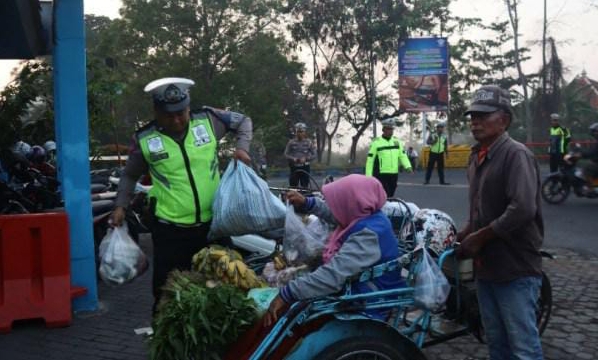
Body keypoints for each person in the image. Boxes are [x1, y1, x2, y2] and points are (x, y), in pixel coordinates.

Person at [110, 77, 253, 313]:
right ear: (156, 111)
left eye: (181, 113)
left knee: (229, 288)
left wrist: (242, 148)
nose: (176, 120)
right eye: (169, 115)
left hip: (214, 226)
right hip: (171, 232)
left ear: (188, 107)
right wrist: (120, 207)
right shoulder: (145, 140)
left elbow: (243, 121)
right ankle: (165, 344)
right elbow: (128, 176)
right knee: (167, 295)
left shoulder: (208, 120)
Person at [456, 85, 544, 360]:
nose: (475, 121)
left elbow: (522, 208)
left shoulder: (515, 154)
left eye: (483, 115)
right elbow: (480, 209)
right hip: (487, 268)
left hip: (515, 267)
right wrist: (465, 232)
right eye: (472, 116)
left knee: (523, 348)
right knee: (497, 344)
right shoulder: (476, 157)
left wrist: (479, 237)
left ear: (504, 119)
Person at [263, 174, 405, 327]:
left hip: (367, 300)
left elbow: (331, 277)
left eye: (340, 202)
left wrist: (287, 294)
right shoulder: (366, 216)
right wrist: (308, 203)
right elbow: (336, 214)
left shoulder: (368, 236)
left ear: (352, 204)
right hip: (358, 285)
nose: (335, 208)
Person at [365, 118, 412, 197]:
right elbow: (370, 160)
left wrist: (408, 166)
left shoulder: (397, 142)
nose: (390, 131)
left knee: (391, 194)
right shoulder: (376, 143)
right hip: (381, 174)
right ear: (383, 130)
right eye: (388, 129)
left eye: (392, 129)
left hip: (394, 173)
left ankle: (387, 208)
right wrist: (368, 176)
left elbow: (402, 155)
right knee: (384, 195)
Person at [283, 122, 316, 188]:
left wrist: (306, 158)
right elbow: (285, 154)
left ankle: (304, 198)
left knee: (305, 187)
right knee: (293, 187)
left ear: (304, 132)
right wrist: (293, 159)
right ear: (296, 132)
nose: (299, 133)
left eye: (301, 131)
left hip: (305, 168)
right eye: (298, 131)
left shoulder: (309, 142)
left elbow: (315, 154)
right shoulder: (291, 142)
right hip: (294, 168)